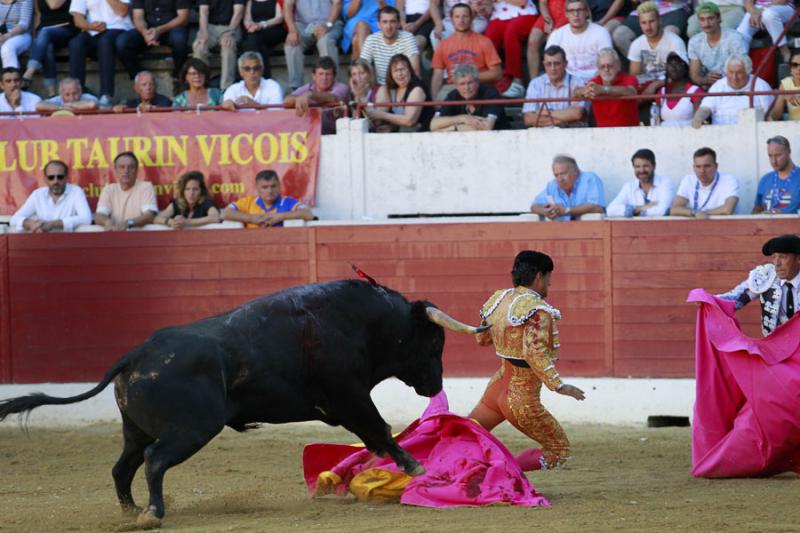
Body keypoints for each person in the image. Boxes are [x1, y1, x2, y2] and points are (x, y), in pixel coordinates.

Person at [468, 251, 586, 472]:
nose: (550, 283)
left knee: (464, 438)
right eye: (549, 277)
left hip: (495, 390)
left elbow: (482, 339)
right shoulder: (538, 309)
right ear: (539, 276)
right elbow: (533, 352)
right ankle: (498, 473)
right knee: (559, 450)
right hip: (521, 399)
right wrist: (558, 385)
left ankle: (427, 469)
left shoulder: (499, 299)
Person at [717, 234, 800, 336]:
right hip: (775, 344)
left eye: (783, 257)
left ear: (798, 258)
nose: (777, 263)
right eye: (774, 257)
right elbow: (735, 300)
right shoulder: (765, 278)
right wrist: (707, 300)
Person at [68, 0, 133, 107]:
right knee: (75, 43)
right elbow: (77, 19)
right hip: (93, 30)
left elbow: (122, 11)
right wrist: (89, 26)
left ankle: (106, 95)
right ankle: (75, 93)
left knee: (105, 42)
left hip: (118, 27)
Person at [430, 3, 501, 100]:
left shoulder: (484, 42)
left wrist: (471, 77)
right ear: (451, 19)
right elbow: (437, 76)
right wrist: (434, 100)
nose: (461, 20)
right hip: (453, 88)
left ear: (471, 18)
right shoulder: (443, 45)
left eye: (465, 16)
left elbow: (497, 73)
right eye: (457, 17)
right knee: (441, 101)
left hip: (478, 86)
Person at [116, 0, 189, 85]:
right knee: (122, 42)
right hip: (147, 31)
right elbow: (138, 17)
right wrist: (144, 32)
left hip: (171, 29)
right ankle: (140, 78)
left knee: (179, 38)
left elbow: (183, 18)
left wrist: (159, 30)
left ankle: (178, 75)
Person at [691, 53, 772, 127]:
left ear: (747, 72)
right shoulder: (718, 86)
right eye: (731, 72)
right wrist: (699, 118)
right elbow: (705, 108)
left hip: (753, 132)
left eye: (739, 73)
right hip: (721, 133)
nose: (734, 77)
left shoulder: (761, 85)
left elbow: (770, 115)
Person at [9, 159, 92, 232]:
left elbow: (86, 219)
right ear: (45, 179)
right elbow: (14, 219)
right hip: (43, 240)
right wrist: (30, 224)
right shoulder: (38, 195)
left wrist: (53, 224)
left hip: (68, 241)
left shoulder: (76, 191)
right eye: (51, 177)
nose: (56, 181)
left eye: (60, 177)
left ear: (66, 177)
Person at [483, 0, 539, 98]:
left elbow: (522, 2)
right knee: (489, 37)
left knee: (511, 33)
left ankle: (517, 81)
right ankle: (492, 79)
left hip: (524, 13)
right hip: (499, 14)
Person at [522, 44, 587, 128]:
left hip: (571, 134)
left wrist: (547, 113)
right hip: (544, 135)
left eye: (557, 64)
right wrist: (566, 118)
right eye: (548, 64)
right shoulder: (535, 84)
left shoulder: (578, 82)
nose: (553, 68)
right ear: (544, 65)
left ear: (565, 64)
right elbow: (528, 119)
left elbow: (577, 114)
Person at [283, 0, 343, 91]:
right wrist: (292, 30)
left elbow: (337, 3)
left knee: (325, 42)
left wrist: (327, 25)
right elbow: (287, 5)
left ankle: (334, 88)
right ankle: (296, 88)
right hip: (304, 25)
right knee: (292, 43)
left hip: (330, 22)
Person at [365, 52, 433, 132]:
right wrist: (392, 128)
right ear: (391, 74)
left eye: (402, 69)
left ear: (409, 70)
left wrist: (381, 115)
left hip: (424, 134)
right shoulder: (393, 89)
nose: (399, 74)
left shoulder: (417, 88)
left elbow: (409, 121)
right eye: (395, 71)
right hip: (404, 134)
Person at [430, 63, 509, 131]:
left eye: (470, 83)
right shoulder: (453, 95)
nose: (467, 88)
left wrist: (454, 127)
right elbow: (433, 125)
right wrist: (462, 118)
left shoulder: (490, 93)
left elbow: (486, 127)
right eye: (462, 84)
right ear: (456, 86)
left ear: (477, 82)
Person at [222, 169, 314, 228]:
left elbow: (308, 214)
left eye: (273, 186)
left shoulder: (286, 201)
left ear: (279, 186)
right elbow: (225, 214)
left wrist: (279, 217)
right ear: (257, 188)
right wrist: (252, 218)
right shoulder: (248, 202)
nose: (269, 191)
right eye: (265, 187)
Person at [21, 0, 77, 95]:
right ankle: (52, 93)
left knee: (45, 32)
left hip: (65, 28)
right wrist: (36, 38)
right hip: (44, 33)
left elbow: (54, 5)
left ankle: (29, 72)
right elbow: (38, 15)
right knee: (47, 46)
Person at [545, 0, 612, 80]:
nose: (576, 14)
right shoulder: (557, 35)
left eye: (580, 10)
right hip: (565, 81)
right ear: (566, 14)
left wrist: (594, 82)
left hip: (595, 81)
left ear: (587, 12)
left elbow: (607, 63)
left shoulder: (601, 32)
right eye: (571, 11)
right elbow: (549, 62)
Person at [573, 47, 639, 127]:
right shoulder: (595, 82)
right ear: (598, 69)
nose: (606, 69)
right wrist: (584, 91)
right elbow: (576, 92)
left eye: (610, 66)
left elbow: (631, 92)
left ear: (618, 66)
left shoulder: (629, 79)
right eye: (602, 66)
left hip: (629, 131)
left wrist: (603, 89)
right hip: (603, 132)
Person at [626, 2, 688, 86]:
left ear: (659, 20)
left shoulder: (675, 41)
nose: (648, 27)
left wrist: (655, 85)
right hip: (646, 87)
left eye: (651, 21)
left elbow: (680, 74)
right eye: (643, 23)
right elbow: (634, 77)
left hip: (670, 86)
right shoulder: (636, 44)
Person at [687, 1, 746, 89]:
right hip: (708, 86)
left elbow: (741, 70)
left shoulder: (735, 38)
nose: (706, 24)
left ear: (719, 18)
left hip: (733, 85)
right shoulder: (694, 41)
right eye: (702, 19)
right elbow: (695, 75)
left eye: (710, 18)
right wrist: (706, 80)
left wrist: (721, 82)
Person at [285, 56, 350, 134]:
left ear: (334, 77)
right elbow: (286, 101)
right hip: (310, 134)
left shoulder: (342, 87)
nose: (324, 78)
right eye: (321, 74)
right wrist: (299, 99)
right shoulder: (309, 87)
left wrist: (309, 95)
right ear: (314, 76)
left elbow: (332, 98)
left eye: (328, 74)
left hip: (336, 135)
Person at [95, 152, 158, 231]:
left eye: (131, 167)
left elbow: (150, 216)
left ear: (136, 170)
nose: (126, 171)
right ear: (116, 170)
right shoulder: (108, 190)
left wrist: (129, 223)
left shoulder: (146, 187)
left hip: (140, 236)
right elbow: (99, 215)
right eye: (122, 167)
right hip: (114, 235)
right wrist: (107, 222)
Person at [530, 154, 605, 220]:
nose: (560, 179)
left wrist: (567, 210)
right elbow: (534, 206)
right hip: (561, 230)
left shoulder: (589, 179)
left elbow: (597, 207)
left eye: (563, 173)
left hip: (589, 230)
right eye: (556, 175)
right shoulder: (553, 185)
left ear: (576, 171)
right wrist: (545, 211)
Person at [670, 146, 739, 217]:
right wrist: (694, 212)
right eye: (698, 166)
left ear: (716, 166)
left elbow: (727, 210)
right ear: (694, 168)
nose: (702, 171)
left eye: (707, 166)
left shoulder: (729, 180)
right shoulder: (688, 180)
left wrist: (701, 213)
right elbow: (674, 210)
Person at [359, 6, 420, 85]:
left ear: (398, 24)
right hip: (382, 86)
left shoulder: (408, 38)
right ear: (378, 25)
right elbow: (362, 67)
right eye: (385, 22)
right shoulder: (371, 40)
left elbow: (415, 70)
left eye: (392, 22)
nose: (389, 26)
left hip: (404, 84)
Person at [193, 0, 245, 91]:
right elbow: (203, 11)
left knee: (228, 46)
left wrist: (229, 33)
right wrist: (204, 33)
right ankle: (201, 87)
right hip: (209, 27)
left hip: (231, 26)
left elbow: (238, 12)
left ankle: (226, 88)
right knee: (199, 47)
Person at [607, 148, 675, 216]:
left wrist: (632, 211)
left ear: (654, 166)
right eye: (637, 166)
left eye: (645, 166)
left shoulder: (665, 183)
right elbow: (610, 210)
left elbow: (662, 211)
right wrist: (641, 208)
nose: (641, 170)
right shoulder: (629, 187)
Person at [611, 0, 688, 57]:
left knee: (668, 35)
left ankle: (662, 69)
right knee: (619, 35)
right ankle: (645, 67)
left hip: (673, 9)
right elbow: (634, 1)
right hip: (644, 10)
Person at [153, 171, 220, 228]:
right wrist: (170, 222)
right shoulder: (177, 203)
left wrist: (187, 222)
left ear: (201, 191)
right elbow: (156, 219)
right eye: (187, 189)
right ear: (182, 191)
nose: (191, 193)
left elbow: (215, 217)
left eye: (195, 189)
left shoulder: (206, 202)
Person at [752, 136, 800, 215]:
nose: (773, 161)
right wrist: (760, 214)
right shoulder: (765, 180)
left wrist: (784, 215)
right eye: (770, 156)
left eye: (778, 155)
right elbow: (757, 209)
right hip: (767, 223)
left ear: (789, 152)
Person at [653, 51, 702, 126]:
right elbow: (655, 120)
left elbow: (698, 122)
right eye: (670, 63)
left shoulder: (695, 91)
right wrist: (655, 84)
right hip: (664, 132)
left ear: (685, 68)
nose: (673, 66)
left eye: (678, 63)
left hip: (688, 132)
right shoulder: (662, 91)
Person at [241, 0, 287, 80]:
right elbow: (247, 19)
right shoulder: (250, 1)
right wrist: (249, 26)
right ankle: (264, 78)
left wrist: (262, 25)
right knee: (260, 45)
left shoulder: (276, 1)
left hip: (273, 29)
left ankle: (249, 76)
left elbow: (279, 18)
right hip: (255, 31)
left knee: (252, 39)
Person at [525, 0, 569, 79]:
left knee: (551, 40)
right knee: (532, 41)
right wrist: (547, 19)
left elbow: (572, 4)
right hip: (549, 14)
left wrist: (554, 28)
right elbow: (543, 2)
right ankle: (534, 81)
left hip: (565, 15)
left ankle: (552, 78)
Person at [768, 49, 800, 121]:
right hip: (793, 127)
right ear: (790, 69)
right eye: (795, 65)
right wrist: (782, 96)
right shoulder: (785, 84)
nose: (799, 68)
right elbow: (775, 117)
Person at [0, 0, 33, 69]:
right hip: (1, 33)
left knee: (7, 48)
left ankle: (11, 75)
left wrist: (6, 36)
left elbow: (24, 24)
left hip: (21, 34)